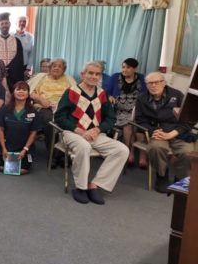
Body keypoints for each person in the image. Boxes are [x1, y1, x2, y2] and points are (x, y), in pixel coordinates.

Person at [55, 61, 129, 205]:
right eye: (90, 73)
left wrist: (98, 129)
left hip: (95, 134)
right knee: (84, 147)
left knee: (122, 150)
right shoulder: (71, 92)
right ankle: (80, 187)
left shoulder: (102, 94)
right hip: (73, 133)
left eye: (97, 74)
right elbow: (59, 117)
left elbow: (111, 118)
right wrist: (79, 130)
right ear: (83, 74)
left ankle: (95, 185)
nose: (94, 76)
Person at [134, 72, 194, 193]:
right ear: (146, 85)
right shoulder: (141, 98)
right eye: (150, 83)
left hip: (178, 133)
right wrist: (153, 131)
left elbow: (189, 119)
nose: (153, 85)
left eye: (157, 82)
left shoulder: (177, 95)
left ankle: (181, 178)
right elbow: (140, 120)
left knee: (187, 152)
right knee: (156, 148)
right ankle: (162, 175)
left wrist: (174, 133)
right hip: (158, 133)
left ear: (164, 83)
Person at [28, 58, 77, 158]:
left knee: (70, 120)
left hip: (64, 107)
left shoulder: (69, 79)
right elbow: (29, 91)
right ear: (50, 68)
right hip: (44, 106)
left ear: (64, 69)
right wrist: (41, 99)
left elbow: (76, 94)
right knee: (49, 120)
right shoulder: (40, 77)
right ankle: (53, 153)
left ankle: (67, 152)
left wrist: (63, 104)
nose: (56, 68)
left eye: (60, 66)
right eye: (54, 66)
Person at [105, 58, 147, 167]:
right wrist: (109, 96)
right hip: (120, 111)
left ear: (135, 69)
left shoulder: (141, 78)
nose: (124, 70)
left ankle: (142, 154)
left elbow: (146, 95)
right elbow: (106, 92)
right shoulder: (115, 77)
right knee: (129, 124)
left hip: (138, 110)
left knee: (139, 124)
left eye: (128, 67)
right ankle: (129, 151)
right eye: (123, 67)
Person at [0, 81, 41, 174]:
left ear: (28, 94)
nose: (21, 92)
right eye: (18, 89)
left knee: (24, 170)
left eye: (24, 90)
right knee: (1, 167)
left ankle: (23, 156)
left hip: (24, 148)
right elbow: (0, 129)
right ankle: (4, 153)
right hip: (7, 147)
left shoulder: (33, 111)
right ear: (13, 92)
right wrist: (4, 148)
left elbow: (33, 133)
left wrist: (25, 150)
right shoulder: (5, 109)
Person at [0, 12, 25, 91]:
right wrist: (1, 67)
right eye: (2, 23)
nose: (4, 25)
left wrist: (10, 68)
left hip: (13, 73)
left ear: (10, 24)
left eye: (6, 23)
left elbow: (19, 58)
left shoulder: (16, 40)